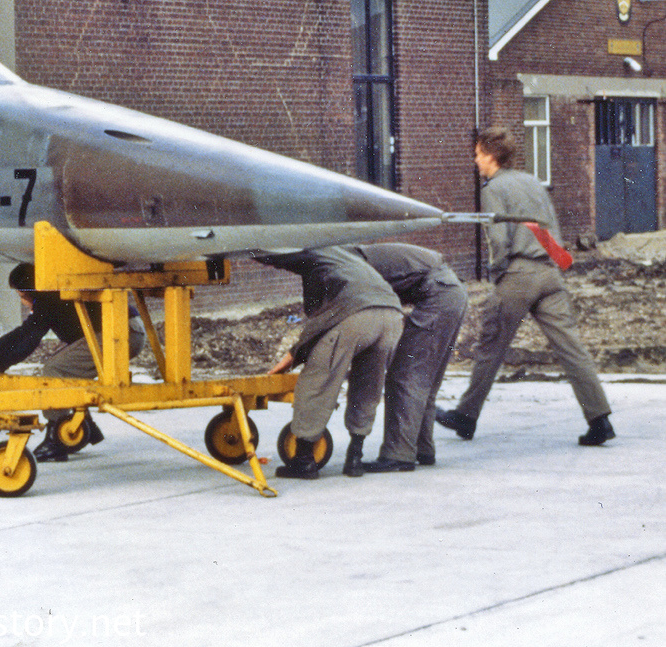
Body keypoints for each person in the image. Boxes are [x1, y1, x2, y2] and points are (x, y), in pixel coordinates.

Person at [436, 127, 614, 446]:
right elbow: (551, 229)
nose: (475, 160)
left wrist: (498, 275)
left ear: (490, 156)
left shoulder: (493, 189)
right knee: (570, 347)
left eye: (477, 153)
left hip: (519, 273)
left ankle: (466, 415)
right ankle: (599, 419)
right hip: (549, 271)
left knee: (491, 344)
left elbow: (498, 241)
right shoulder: (532, 181)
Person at [0, 263, 146, 462]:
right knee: (65, 368)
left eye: (21, 296)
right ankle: (83, 426)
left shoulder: (48, 300)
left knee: (55, 369)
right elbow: (22, 334)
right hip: (127, 330)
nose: (22, 302)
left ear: (31, 292)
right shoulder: (50, 295)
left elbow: (28, 341)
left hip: (122, 333)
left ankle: (57, 439)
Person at [258, 248, 405, 479]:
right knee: (369, 386)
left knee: (319, 379)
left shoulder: (312, 253)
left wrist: (295, 354)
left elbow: (319, 322)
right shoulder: (347, 257)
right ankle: (355, 458)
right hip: (393, 315)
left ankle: (304, 460)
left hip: (358, 314)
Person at [351, 243, 468, 471]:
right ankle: (422, 448)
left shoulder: (350, 264)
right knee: (424, 379)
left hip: (438, 294)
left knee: (405, 376)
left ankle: (399, 455)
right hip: (450, 292)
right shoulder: (355, 256)